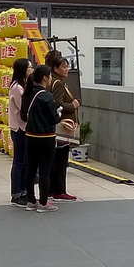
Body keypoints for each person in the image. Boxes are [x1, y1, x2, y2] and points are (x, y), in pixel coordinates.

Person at [20, 64, 62, 212]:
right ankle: (43, 203)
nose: (50, 79)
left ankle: (31, 200)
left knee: (30, 169)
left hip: (30, 136)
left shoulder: (28, 94)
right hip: (46, 137)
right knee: (44, 171)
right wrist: (59, 114)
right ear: (45, 78)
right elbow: (54, 119)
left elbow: (23, 115)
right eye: (49, 76)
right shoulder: (46, 96)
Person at [47, 51, 80, 201]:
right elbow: (57, 104)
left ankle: (52, 190)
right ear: (55, 68)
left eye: (67, 66)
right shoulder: (58, 83)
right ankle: (59, 190)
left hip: (54, 126)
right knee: (60, 160)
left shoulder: (52, 80)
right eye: (63, 67)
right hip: (62, 126)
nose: (67, 69)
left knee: (55, 159)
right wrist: (72, 105)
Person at [7, 58, 30, 206]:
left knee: (24, 162)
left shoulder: (24, 85)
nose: (32, 70)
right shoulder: (17, 87)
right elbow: (24, 107)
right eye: (30, 67)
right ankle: (16, 193)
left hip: (24, 128)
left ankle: (23, 191)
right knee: (19, 161)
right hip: (19, 128)